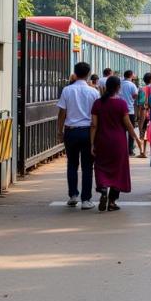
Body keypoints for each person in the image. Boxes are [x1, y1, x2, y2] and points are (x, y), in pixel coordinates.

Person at [90, 76, 143, 212]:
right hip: (118, 141)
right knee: (118, 170)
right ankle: (112, 201)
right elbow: (129, 125)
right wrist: (136, 139)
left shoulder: (97, 103)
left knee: (101, 166)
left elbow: (94, 125)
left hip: (101, 140)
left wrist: (91, 143)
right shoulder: (122, 104)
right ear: (118, 87)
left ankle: (102, 188)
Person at [56, 61, 99, 209]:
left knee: (72, 164)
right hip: (88, 132)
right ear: (88, 74)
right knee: (88, 166)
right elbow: (96, 116)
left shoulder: (67, 90)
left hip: (71, 131)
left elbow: (61, 113)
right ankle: (86, 200)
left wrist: (59, 131)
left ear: (75, 73)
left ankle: (73, 195)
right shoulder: (94, 92)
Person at [120, 70, 139, 156]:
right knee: (131, 131)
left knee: (121, 130)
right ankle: (130, 150)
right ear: (131, 75)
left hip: (119, 110)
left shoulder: (120, 83)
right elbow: (135, 95)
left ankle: (121, 149)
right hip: (130, 110)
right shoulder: (132, 85)